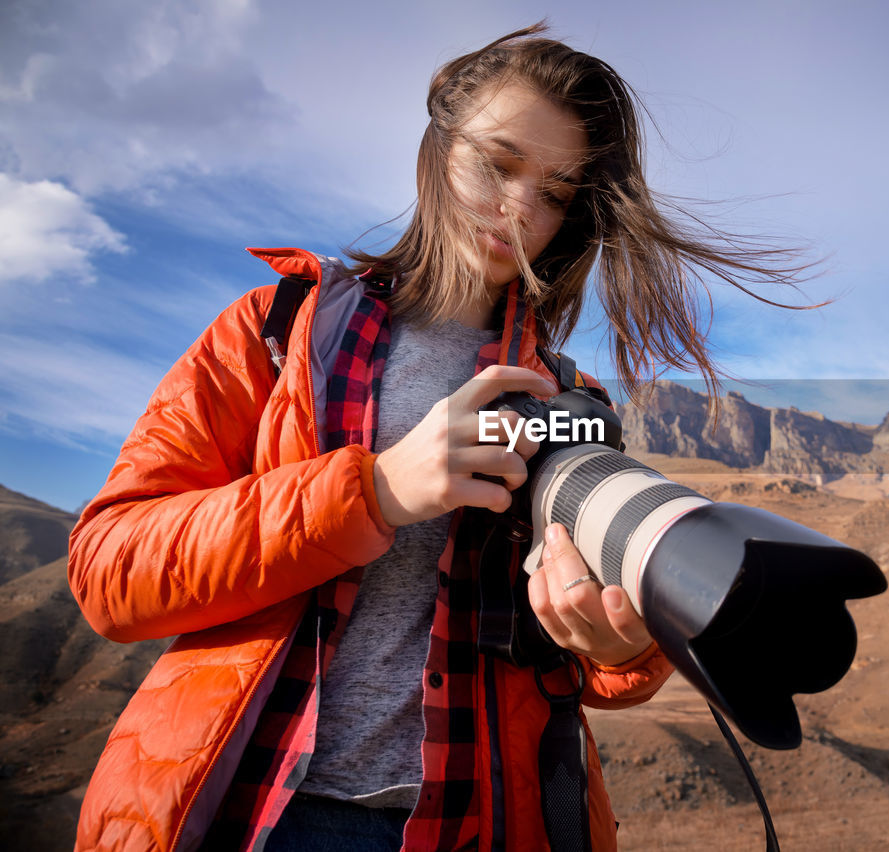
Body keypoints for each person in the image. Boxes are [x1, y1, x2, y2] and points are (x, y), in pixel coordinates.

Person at [67, 23, 810, 852]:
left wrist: (621, 647)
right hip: (259, 812)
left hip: (482, 822)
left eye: (559, 193)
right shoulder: (273, 335)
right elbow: (110, 569)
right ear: (437, 144)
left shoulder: (570, 399)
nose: (523, 209)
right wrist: (377, 490)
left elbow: (580, 668)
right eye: (498, 163)